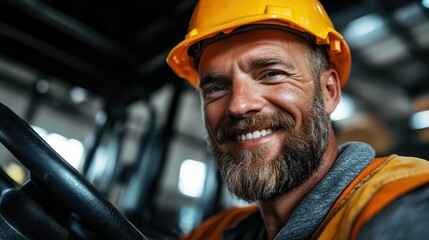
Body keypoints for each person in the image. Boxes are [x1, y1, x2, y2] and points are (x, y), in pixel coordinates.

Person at [166, 0, 429, 239]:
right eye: (216, 88)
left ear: (329, 91)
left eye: (271, 74)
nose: (239, 105)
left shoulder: (404, 206)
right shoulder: (220, 231)